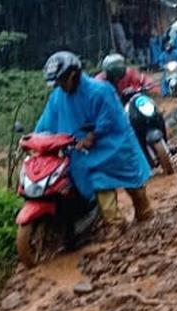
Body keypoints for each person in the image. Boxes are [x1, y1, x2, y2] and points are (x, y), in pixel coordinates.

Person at [36, 51, 154, 230]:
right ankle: (116, 227)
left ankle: (146, 218)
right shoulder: (58, 98)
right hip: (88, 155)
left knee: (136, 187)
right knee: (101, 187)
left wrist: (94, 135)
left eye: (62, 80)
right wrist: (34, 139)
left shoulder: (100, 90)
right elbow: (46, 122)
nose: (60, 85)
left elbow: (110, 116)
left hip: (116, 146)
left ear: (73, 74)